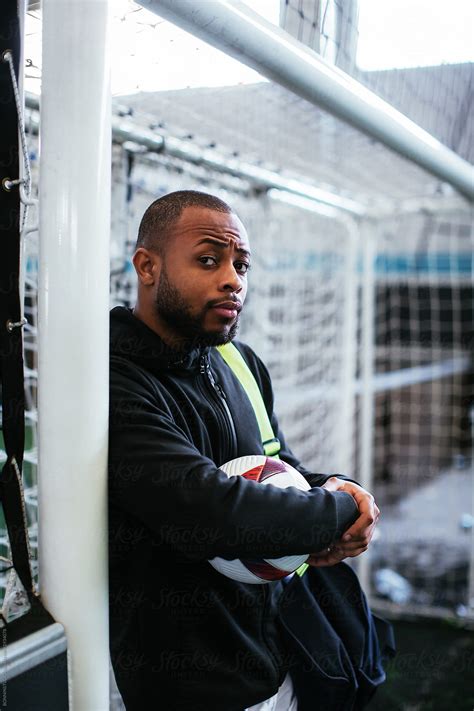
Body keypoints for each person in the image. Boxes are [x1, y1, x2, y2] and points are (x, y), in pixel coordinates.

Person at [108, 190, 380, 711]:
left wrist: (343, 490)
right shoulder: (112, 377)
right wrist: (338, 510)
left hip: (277, 656)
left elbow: (282, 469)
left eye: (241, 264)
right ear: (147, 266)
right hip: (181, 683)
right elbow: (214, 512)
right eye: (208, 260)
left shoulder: (238, 361)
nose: (233, 278)